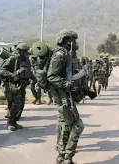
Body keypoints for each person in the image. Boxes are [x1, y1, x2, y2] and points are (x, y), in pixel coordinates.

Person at [47, 29, 84, 164]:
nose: (74, 43)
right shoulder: (60, 54)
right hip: (63, 95)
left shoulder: (67, 55)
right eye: (72, 40)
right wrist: (66, 85)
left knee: (65, 124)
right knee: (77, 125)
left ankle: (62, 156)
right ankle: (67, 155)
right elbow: (51, 76)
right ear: (65, 41)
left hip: (65, 94)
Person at [0, 42, 36, 131]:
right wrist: (12, 75)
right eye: (23, 51)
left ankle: (14, 121)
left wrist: (34, 79)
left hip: (23, 85)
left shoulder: (27, 59)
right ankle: (10, 122)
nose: (25, 53)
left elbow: (29, 71)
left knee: (21, 105)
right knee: (14, 104)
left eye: (26, 51)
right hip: (13, 85)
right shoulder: (13, 58)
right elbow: (2, 70)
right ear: (19, 50)